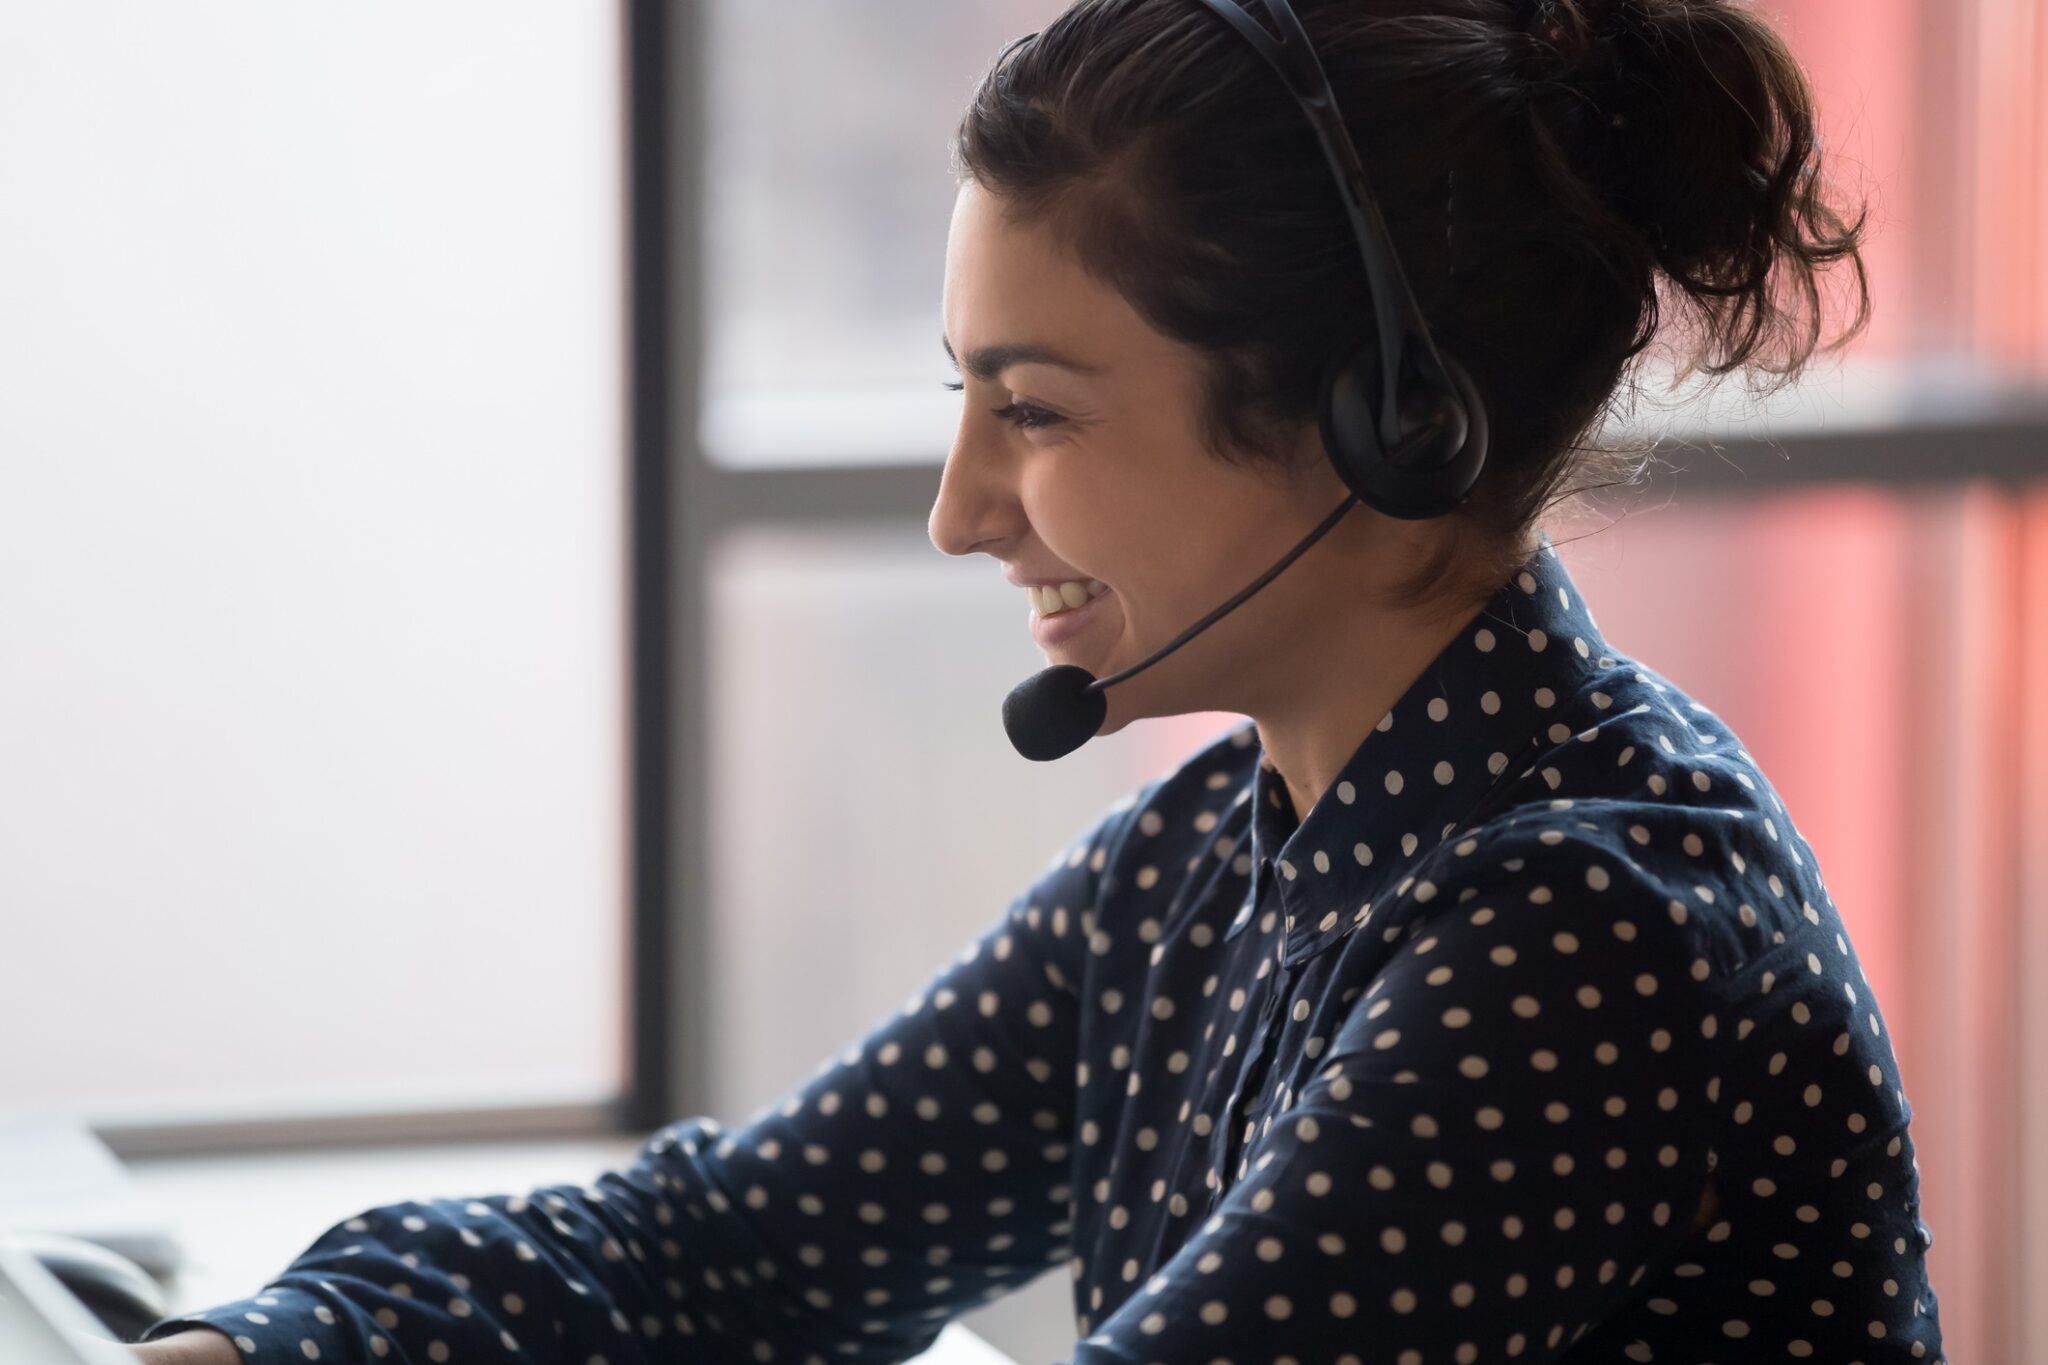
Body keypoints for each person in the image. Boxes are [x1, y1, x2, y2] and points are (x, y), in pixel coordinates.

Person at [134, 0, 1945, 1362]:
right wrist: (262, 1342)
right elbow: (742, 1247)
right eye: (965, 398)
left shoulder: (1591, 934)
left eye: (1037, 410)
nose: (958, 514)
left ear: (1379, 429)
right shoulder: (1221, 854)